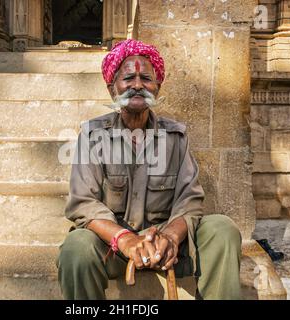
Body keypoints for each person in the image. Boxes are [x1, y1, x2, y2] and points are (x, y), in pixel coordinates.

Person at [57, 39, 242, 300]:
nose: (137, 85)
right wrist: (125, 239)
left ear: (157, 87)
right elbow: (83, 204)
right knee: (76, 249)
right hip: (115, 248)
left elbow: (189, 200)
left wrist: (170, 237)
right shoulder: (93, 136)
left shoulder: (175, 137)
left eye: (146, 78)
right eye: (128, 78)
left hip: (167, 246)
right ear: (112, 88)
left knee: (222, 229)